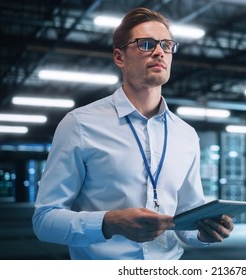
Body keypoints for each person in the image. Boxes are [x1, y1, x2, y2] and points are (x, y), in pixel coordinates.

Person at [32, 7, 234, 260]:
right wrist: (109, 222)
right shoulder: (80, 125)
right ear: (119, 57)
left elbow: (186, 218)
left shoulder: (186, 135)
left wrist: (205, 232)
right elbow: (44, 220)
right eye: (146, 44)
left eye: (167, 45)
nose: (159, 52)